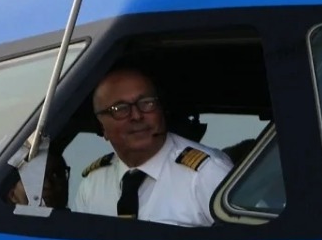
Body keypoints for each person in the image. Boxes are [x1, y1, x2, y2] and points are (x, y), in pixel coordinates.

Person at [74, 65, 233, 226]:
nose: (136, 116)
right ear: (101, 126)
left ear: (161, 110)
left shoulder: (207, 173)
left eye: (146, 103)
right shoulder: (93, 183)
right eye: (120, 109)